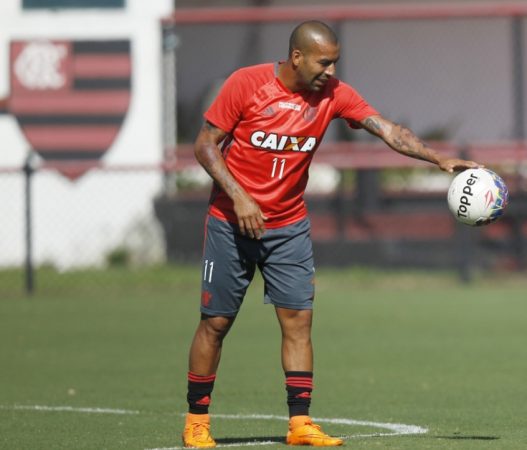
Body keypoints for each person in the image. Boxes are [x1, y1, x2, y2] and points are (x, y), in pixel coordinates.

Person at [182, 20, 481, 448]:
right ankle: (197, 420)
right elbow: (205, 144)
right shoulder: (246, 84)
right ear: (297, 57)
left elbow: (387, 129)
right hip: (231, 223)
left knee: (298, 321)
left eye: (335, 62)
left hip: (287, 226)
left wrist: (438, 159)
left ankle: (300, 424)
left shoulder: (334, 94)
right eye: (324, 62)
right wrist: (240, 197)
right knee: (215, 323)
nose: (330, 70)